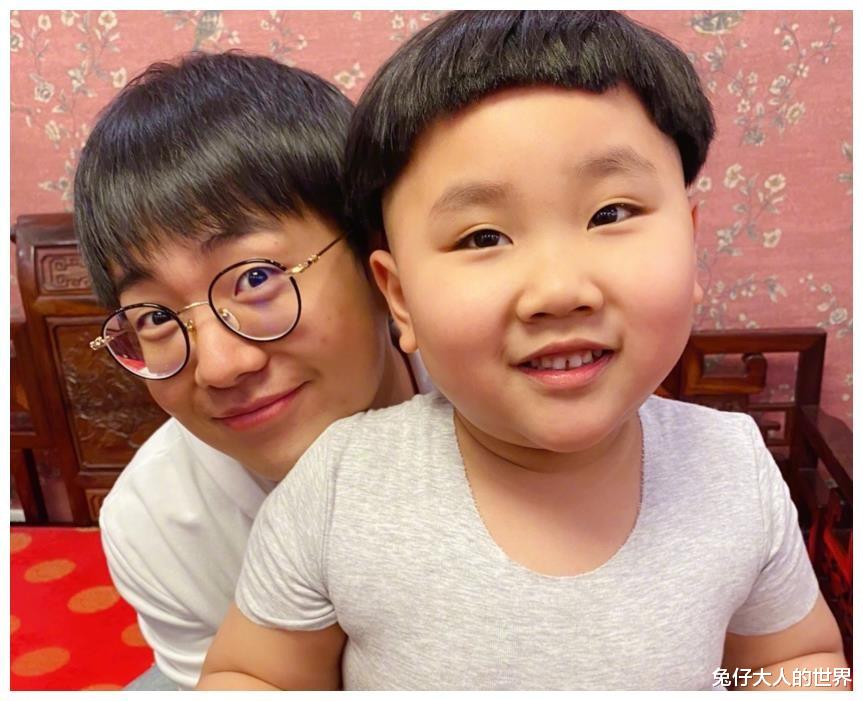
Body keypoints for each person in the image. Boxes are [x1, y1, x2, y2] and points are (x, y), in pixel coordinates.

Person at [198, 11, 846, 691]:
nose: (559, 290)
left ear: (688, 241)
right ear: (400, 298)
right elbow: (257, 676)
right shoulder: (341, 486)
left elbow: (788, 661)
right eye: (482, 237)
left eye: (610, 214)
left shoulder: (732, 468)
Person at [73, 51, 430, 690]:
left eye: (257, 278)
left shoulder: (496, 405)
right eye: (154, 317)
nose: (219, 366)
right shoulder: (157, 522)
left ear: (376, 258)